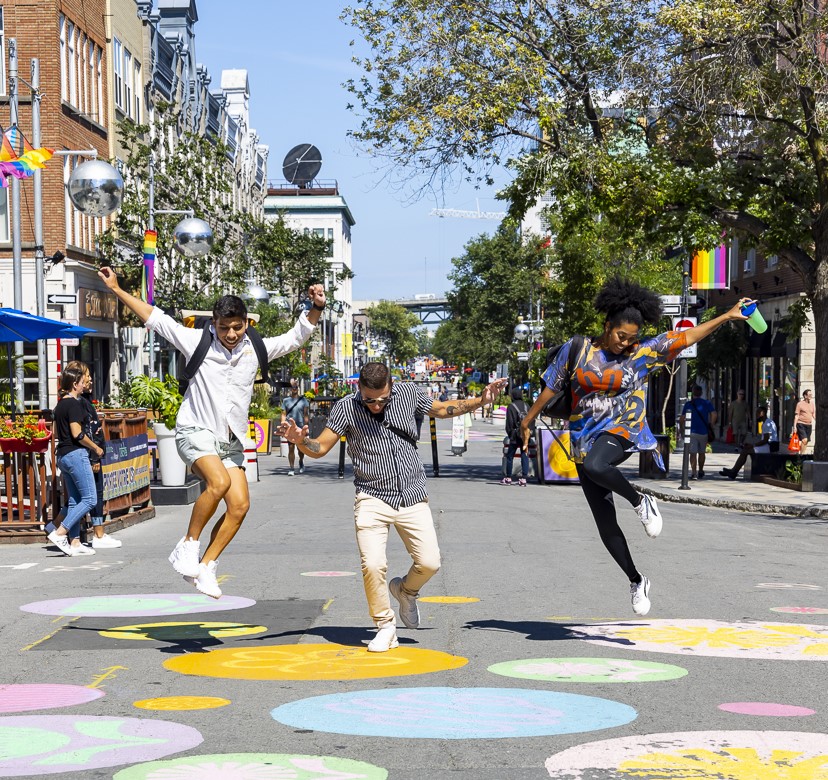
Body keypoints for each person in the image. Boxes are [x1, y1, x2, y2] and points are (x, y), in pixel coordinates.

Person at [519, 278, 753, 616]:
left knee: (600, 466)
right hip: (584, 436)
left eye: (631, 338)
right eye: (620, 336)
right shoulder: (578, 348)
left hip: (623, 429)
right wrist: (527, 421)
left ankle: (642, 501)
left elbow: (684, 337)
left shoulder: (642, 353)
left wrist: (726, 316)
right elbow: (551, 386)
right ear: (607, 326)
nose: (625, 344)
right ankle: (636, 579)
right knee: (604, 522)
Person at [98, 266, 324, 598]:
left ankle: (207, 566)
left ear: (246, 323)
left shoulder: (255, 348)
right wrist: (117, 289)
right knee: (217, 483)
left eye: (236, 327)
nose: (230, 334)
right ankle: (188, 545)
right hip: (195, 430)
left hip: (229, 439)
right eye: (223, 328)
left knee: (240, 505)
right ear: (213, 325)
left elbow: (296, 337)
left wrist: (316, 307)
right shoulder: (196, 341)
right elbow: (156, 318)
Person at [279, 362, 507, 652]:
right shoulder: (346, 408)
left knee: (430, 563)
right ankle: (385, 626)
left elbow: (442, 408)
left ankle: (405, 590)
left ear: (391, 386)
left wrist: (480, 400)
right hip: (371, 495)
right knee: (372, 565)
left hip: (411, 493)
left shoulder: (409, 393)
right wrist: (300, 440)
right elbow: (320, 447)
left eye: (383, 399)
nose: (376, 405)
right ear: (359, 388)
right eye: (369, 399)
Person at [46, 361, 105, 557]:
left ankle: (75, 542)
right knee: (90, 499)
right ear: (75, 384)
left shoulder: (60, 405)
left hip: (62, 455)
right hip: (76, 454)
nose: (84, 384)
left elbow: (55, 432)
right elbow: (77, 433)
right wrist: (96, 447)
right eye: (81, 381)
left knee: (74, 501)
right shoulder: (74, 404)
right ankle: (60, 532)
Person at [80, 367, 122, 549]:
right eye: (86, 376)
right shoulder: (79, 402)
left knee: (90, 494)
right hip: (90, 455)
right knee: (91, 494)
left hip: (93, 454)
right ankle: (97, 533)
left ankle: (98, 531)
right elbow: (86, 431)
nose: (90, 380)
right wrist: (94, 457)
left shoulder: (85, 401)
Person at [720, 406, 778, 479]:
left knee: (746, 451)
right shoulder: (766, 423)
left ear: (763, 413)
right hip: (766, 445)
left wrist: (753, 445)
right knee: (745, 449)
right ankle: (733, 471)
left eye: (758, 412)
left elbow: (765, 440)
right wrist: (753, 445)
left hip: (769, 446)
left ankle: (734, 472)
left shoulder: (768, 424)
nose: (756, 414)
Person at [680, 385, 717, 479]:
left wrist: (682, 429)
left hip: (691, 432)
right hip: (704, 432)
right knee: (702, 452)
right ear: (701, 393)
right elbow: (714, 414)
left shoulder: (688, 404)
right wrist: (711, 424)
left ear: (693, 393)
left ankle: (694, 473)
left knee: (692, 453)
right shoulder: (706, 403)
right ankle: (701, 470)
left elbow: (682, 418)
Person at [502, 387, 532, 486]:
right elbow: (532, 419)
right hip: (525, 435)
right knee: (525, 455)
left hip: (515, 435)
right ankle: (523, 478)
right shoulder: (526, 406)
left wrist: (511, 434)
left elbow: (509, 423)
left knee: (510, 456)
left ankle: (508, 477)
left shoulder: (511, 406)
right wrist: (529, 432)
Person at [281, 383, 310, 476]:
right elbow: (283, 414)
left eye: (296, 387)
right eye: (293, 388)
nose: (294, 389)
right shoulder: (286, 401)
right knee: (291, 447)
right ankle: (291, 467)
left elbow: (306, 414)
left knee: (300, 447)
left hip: (300, 427)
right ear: (290, 389)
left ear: (298, 388)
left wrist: (306, 426)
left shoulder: (304, 400)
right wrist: (282, 424)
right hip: (290, 427)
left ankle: (301, 461)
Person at [793, 389, 815, 454]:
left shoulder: (812, 404)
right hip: (801, 424)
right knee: (804, 440)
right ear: (805, 396)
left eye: (811, 395)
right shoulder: (799, 404)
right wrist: (794, 427)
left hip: (809, 424)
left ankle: (802, 455)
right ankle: (802, 456)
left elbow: (813, 414)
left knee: (806, 441)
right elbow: (796, 416)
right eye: (809, 395)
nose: (811, 396)